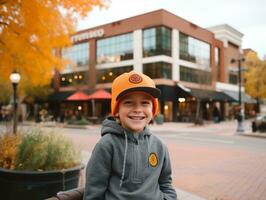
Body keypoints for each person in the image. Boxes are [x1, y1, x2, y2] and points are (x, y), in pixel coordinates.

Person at [83, 71, 177, 200]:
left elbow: (165, 183)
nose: (138, 109)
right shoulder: (106, 145)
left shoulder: (159, 145)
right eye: (128, 102)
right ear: (117, 110)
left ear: (153, 110)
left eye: (145, 103)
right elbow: (94, 191)